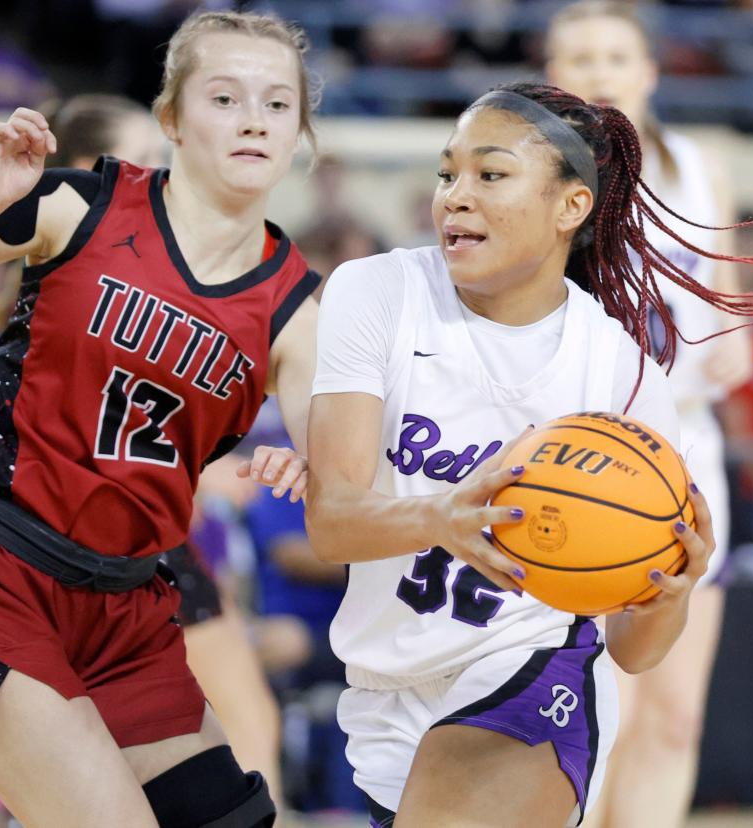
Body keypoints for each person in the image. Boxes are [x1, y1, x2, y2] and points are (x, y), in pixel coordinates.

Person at [0, 9, 319, 827]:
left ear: (301, 130)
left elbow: (339, 473)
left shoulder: (298, 307)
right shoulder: (79, 206)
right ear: (169, 118)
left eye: (277, 104)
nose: (252, 121)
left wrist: (313, 466)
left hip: (129, 604)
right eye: (226, 97)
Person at [306, 81, 727, 827]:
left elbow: (634, 650)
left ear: (571, 206)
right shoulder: (377, 291)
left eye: (490, 174)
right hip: (385, 687)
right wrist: (442, 515)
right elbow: (333, 521)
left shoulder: (619, 371)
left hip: (535, 669)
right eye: (447, 174)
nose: (455, 196)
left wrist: (673, 592)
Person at [544, 4, 751, 825]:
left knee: (672, 716)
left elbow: (727, 303)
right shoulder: (530, 170)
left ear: (650, 71)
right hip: (579, 455)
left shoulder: (702, 165)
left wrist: (738, 340)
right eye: (580, 55)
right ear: (551, 71)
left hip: (688, 444)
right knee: (589, 711)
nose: (600, 71)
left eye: (616, 55)